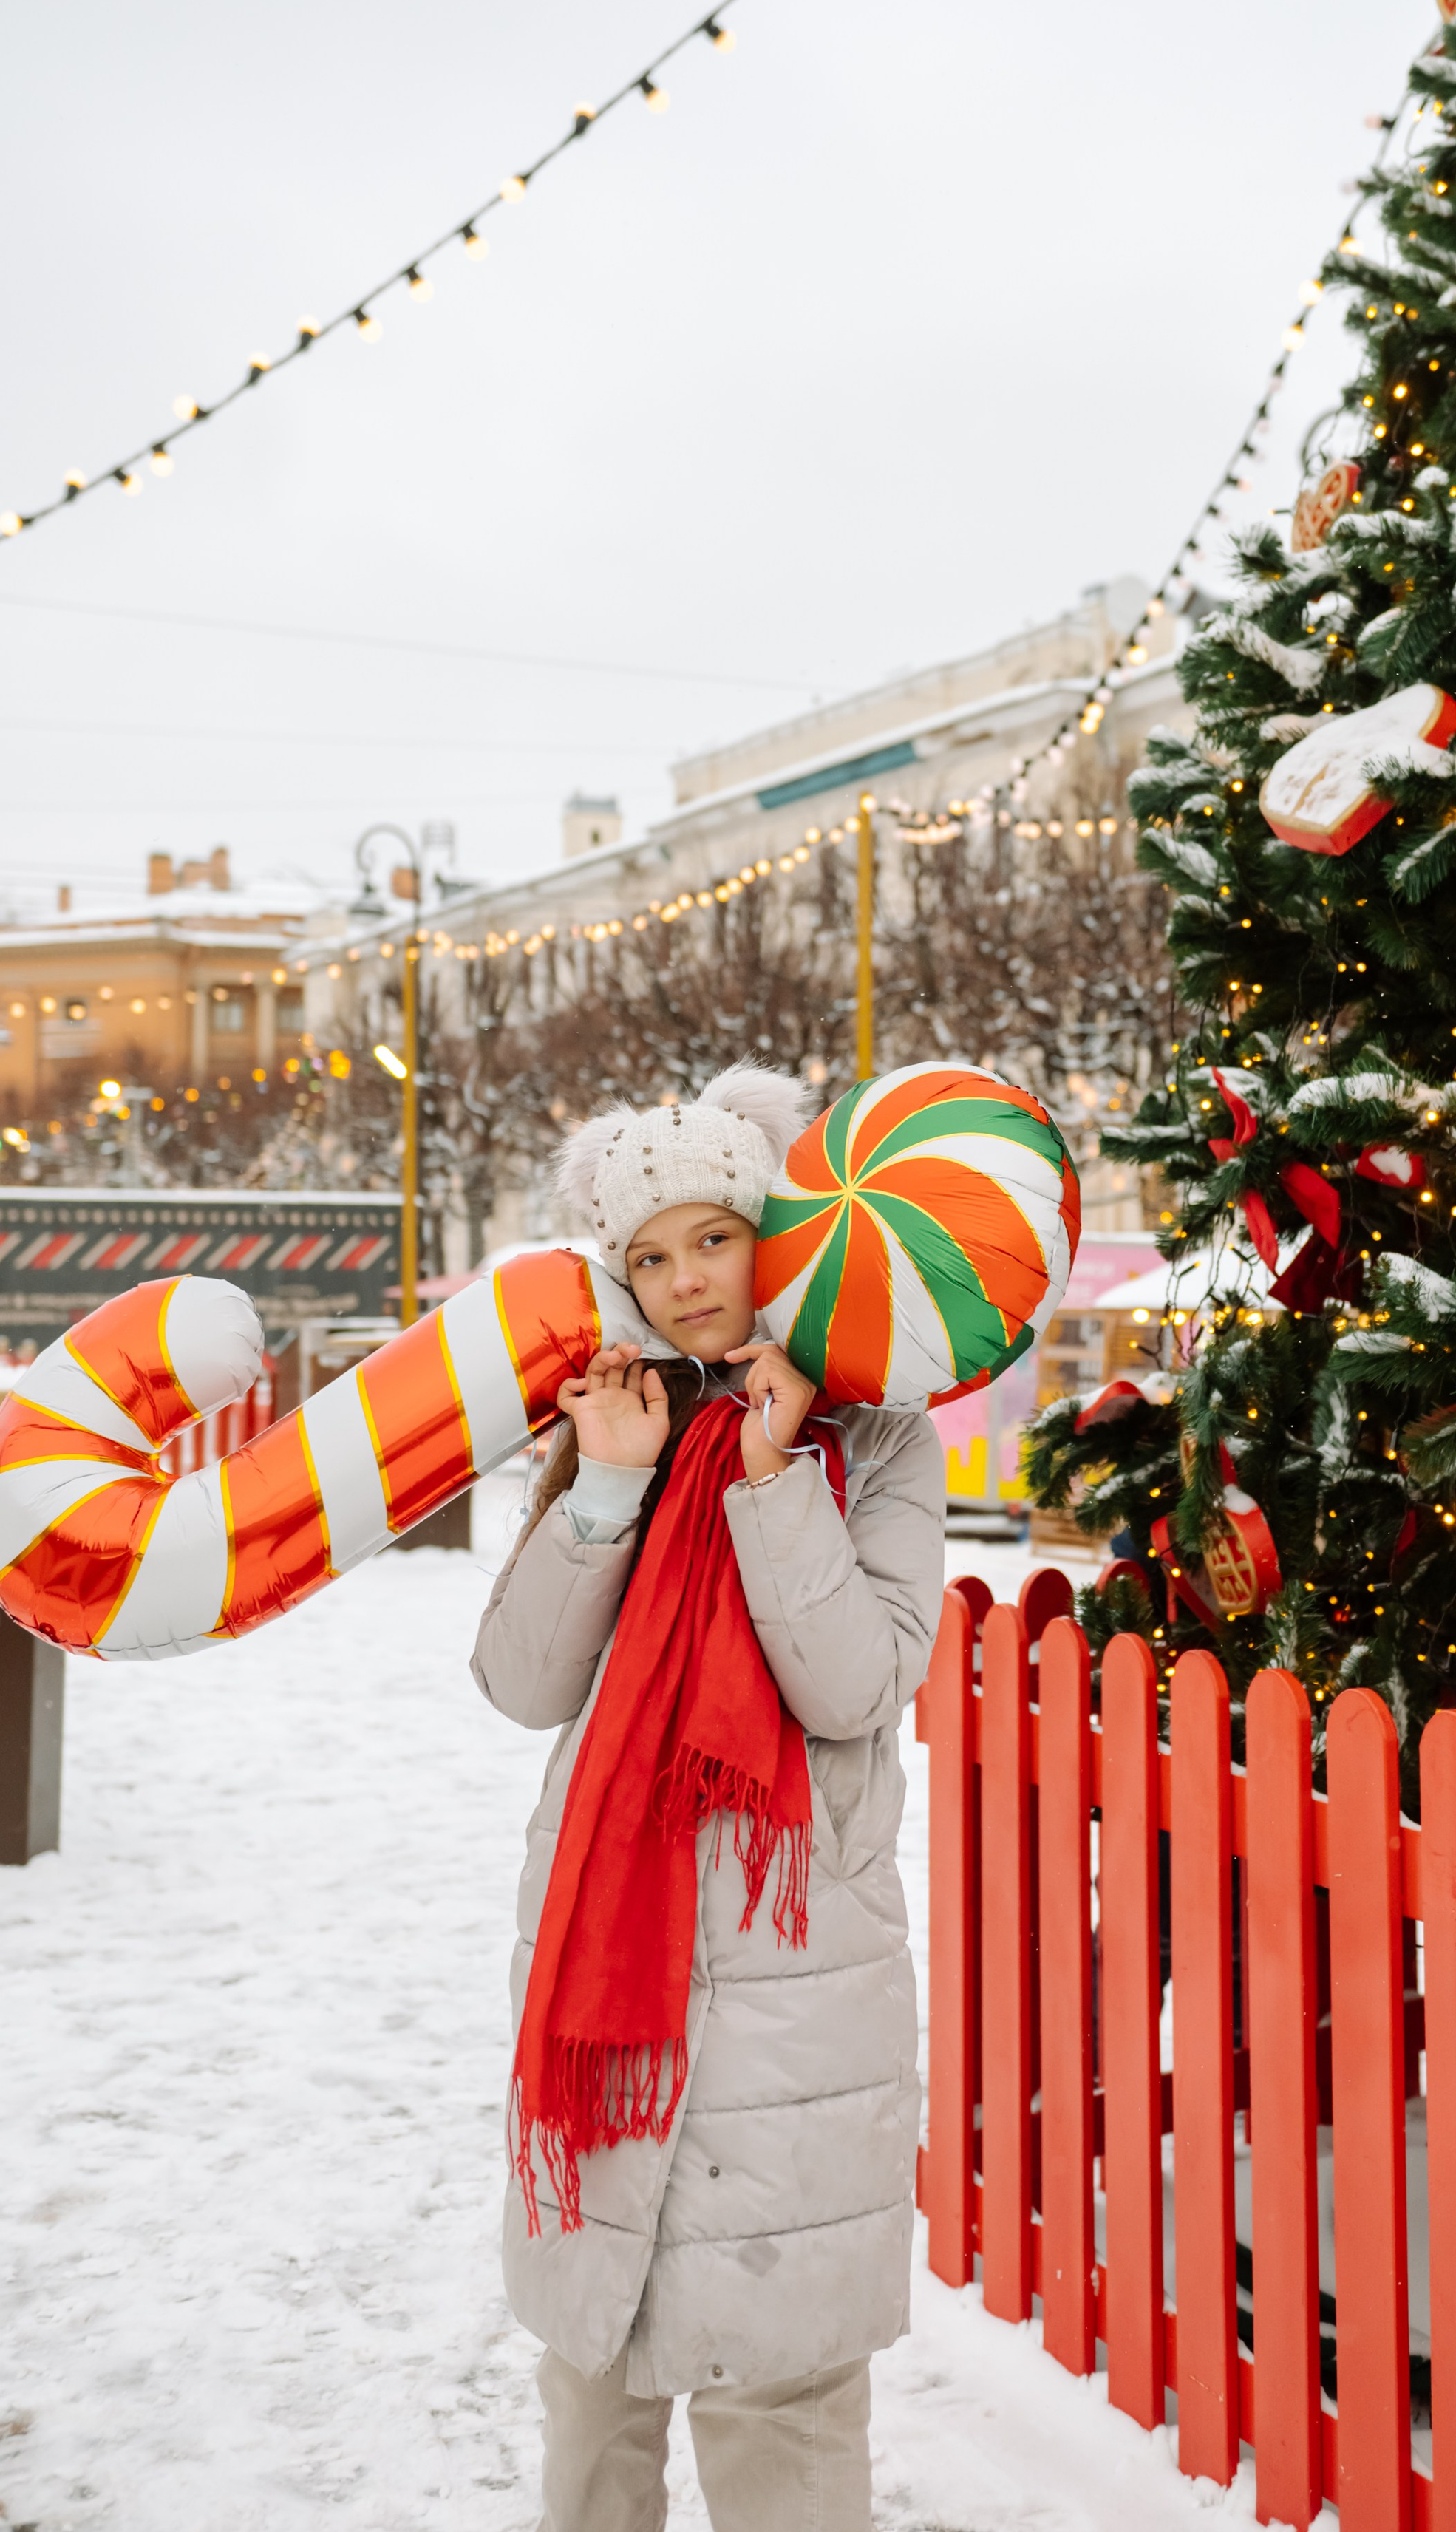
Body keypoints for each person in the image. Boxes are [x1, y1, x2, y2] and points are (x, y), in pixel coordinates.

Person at [471, 1063, 945, 2532]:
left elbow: (851, 1690)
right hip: (609, 1999)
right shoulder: (612, 1422)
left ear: (775, 1237)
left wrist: (768, 1474)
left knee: (784, 2419)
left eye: (712, 1240)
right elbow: (522, 1680)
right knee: (593, 2403)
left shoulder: (873, 1440)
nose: (685, 1282)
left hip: (794, 2008)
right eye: (650, 1255)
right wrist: (605, 1491)